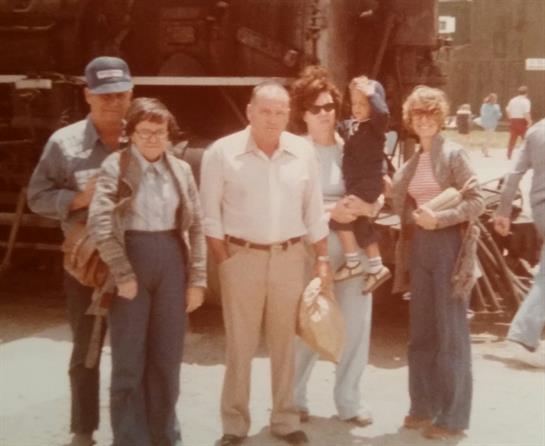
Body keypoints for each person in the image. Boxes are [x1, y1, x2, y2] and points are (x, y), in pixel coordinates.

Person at [200, 80, 330, 446]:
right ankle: (234, 424)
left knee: (284, 344)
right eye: (265, 111)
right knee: (239, 346)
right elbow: (210, 217)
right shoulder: (221, 153)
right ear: (250, 112)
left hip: (290, 258)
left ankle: (285, 420)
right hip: (242, 258)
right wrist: (225, 262)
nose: (272, 119)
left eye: (280, 112)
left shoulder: (303, 152)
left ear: (289, 115)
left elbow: (314, 211)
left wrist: (321, 259)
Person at [27, 56, 133, 446]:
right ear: (87, 95)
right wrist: (77, 199)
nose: (113, 103)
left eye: (120, 94)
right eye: (104, 95)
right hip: (87, 265)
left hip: (135, 263)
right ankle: (83, 430)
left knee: (133, 352)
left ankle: (131, 429)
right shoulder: (64, 143)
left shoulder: (145, 137)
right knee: (86, 350)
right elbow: (37, 196)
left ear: (131, 94)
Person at [88, 97, 206, 445]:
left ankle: (165, 435)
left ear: (169, 134)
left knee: (167, 356)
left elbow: (196, 226)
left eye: (160, 132)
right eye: (145, 132)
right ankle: (130, 438)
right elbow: (100, 222)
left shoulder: (181, 170)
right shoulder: (116, 166)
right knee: (129, 357)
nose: (153, 139)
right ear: (131, 133)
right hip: (132, 260)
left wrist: (197, 280)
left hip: (171, 260)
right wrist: (122, 273)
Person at [391, 86, 484, 440]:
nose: (425, 120)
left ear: (441, 117)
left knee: (451, 334)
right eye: (418, 114)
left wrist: (440, 220)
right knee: (421, 332)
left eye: (431, 113)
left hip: (449, 246)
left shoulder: (454, 154)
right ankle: (423, 406)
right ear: (410, 119)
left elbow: (476, 202)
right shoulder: (413, 161)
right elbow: (401, 204)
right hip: (420, 247)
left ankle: (453, 417)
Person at [289, 66, 378, 428]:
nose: (325, 113)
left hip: (355, 247)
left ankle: (349, 401)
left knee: (356, 325)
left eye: (329, 106)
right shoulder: (295, 151)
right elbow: (287, 205)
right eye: (316, 108)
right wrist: (331, 212)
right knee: (310, 322)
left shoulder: (352, 145)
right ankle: (294, 398)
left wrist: (372, 205)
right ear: (303, 114)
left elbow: (377, 183)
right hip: (315, 249)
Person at [493, 118, 545, 368]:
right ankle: (523, 336)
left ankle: (526, 334)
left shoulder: (536, 131)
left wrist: (503, 211)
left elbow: (513, 175)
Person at [332, 75, 391, 293]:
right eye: (354, 103)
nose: (357, 108)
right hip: (358, 183)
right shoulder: (352, 125)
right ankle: (376, 267)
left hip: (368, 183)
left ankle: (353, 263)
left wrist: (371, 93)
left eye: (363, 104)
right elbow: (336, 127)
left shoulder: (376, 127)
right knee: (361, 224)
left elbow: (383, 113)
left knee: (341, 217)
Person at [505, 85, 532, 159]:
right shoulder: (526, 101)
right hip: (522, 121)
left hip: (513, 120)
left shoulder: (512, 100)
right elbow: (526, 113)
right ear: (526, 93)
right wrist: (529, 121)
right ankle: (527, 155)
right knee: (525, 138)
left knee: (512, 138)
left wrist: (510, 118)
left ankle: (509, 153)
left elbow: (507, 110)